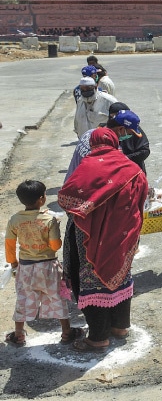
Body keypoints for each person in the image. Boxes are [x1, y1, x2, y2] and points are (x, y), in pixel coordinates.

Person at [58, 128, 149, 352]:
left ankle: (97, 338)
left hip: (91, 238)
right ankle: (119, 327)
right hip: (123, 237)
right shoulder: (132, 168)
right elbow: (142, 199)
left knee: (92, 279)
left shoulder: (89, 166)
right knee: (121, 275)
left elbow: (67, 198)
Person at [4, 180, 84, 347]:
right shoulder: (49, 219)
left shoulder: (15, 220)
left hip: (25, 267)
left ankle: (19, 334)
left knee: (23, 299)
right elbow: (55, 245)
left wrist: (13, 263)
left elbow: (10, 245)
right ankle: (66, 332)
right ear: (41, 199)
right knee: (57, 298)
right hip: (48, 267)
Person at [65, 103, 149, 180]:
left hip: (70, 187)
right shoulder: (106, 147)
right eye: (130, 133)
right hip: (84, 191)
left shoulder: (88, 133)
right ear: (121, 129)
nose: (129, 136)